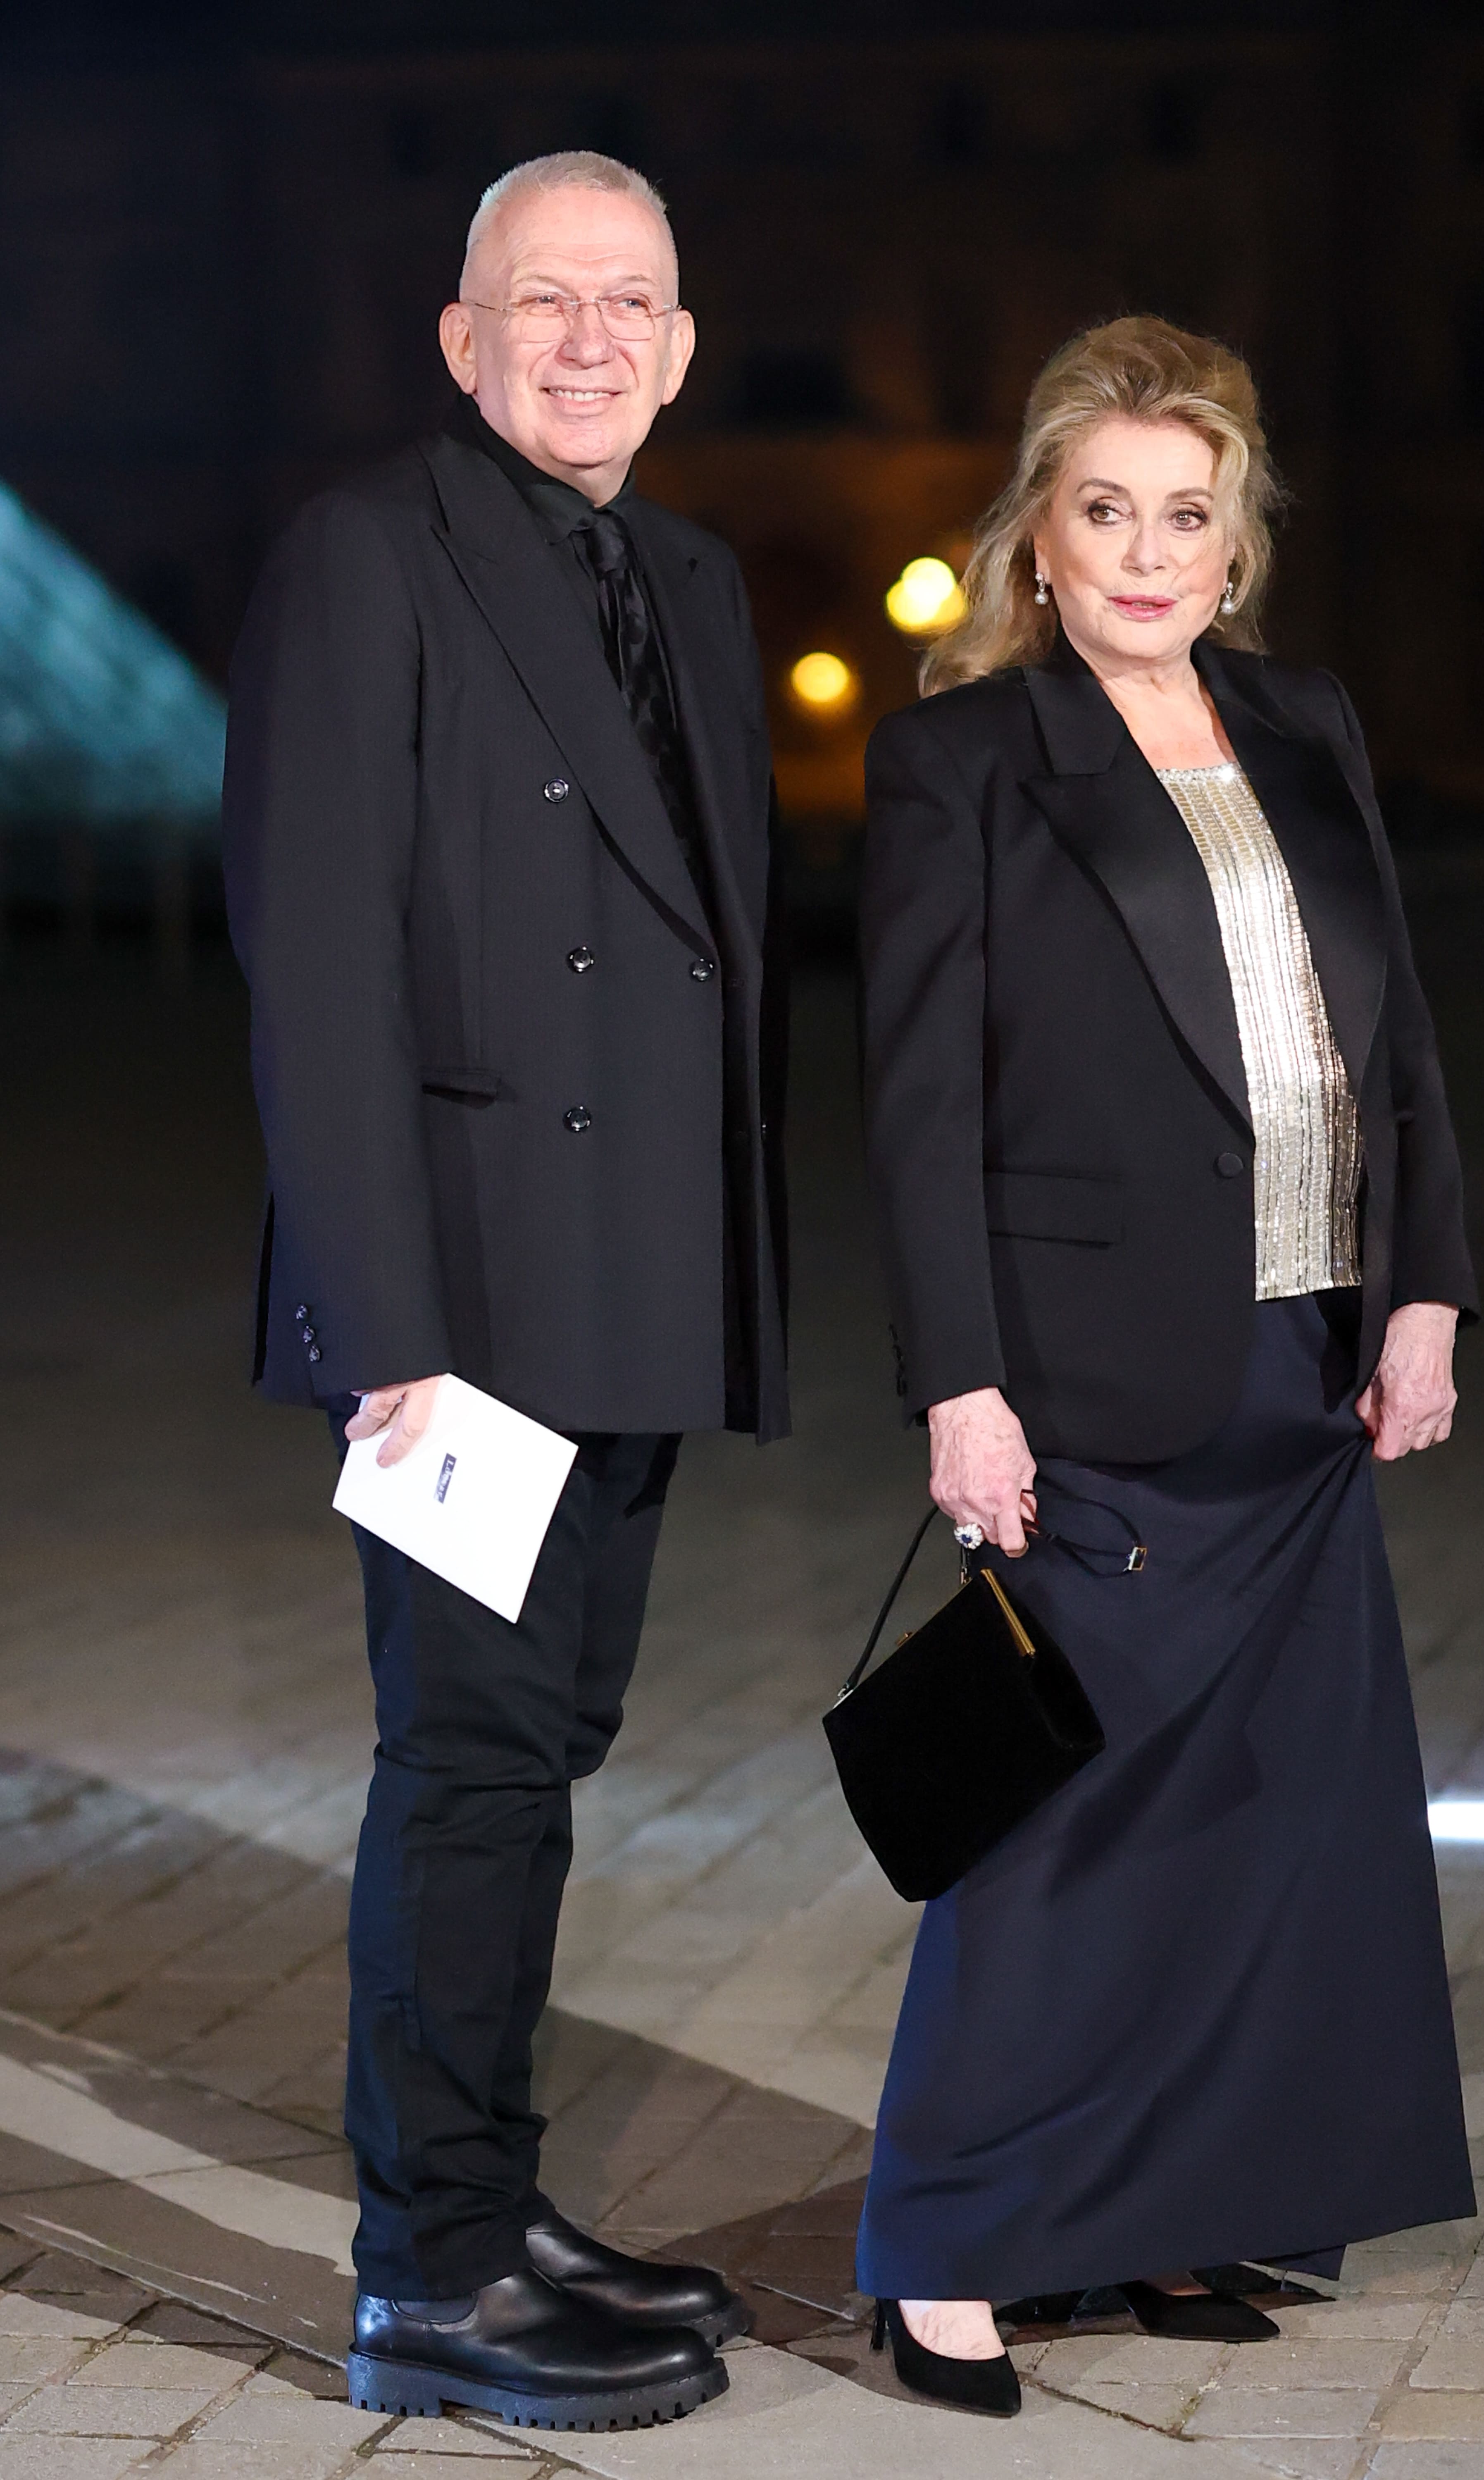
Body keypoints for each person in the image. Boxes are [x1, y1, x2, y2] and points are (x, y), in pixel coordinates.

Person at [855, 315, 1476, 2418]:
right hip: (1086, 1377)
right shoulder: (963, 758)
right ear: (1039, 536)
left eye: (1183, 516)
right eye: (1103, 511)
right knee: (1057, 1826)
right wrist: (959, 1384)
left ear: (1236, 540)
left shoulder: (1305, 722)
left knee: (1262, 1817)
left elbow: (1393, 1036)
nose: (1144, 553)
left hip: (1304, 1360)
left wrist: (1424, 1291)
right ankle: (945, 2248)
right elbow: (919, 1104)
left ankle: (1167, 2209)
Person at [221, 152, 788, 2432]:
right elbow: (314, 957)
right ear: (462, 342)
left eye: (627, 302)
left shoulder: (695, 577)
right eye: (540, 301)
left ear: (681, 345)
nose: (586, 339)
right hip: (459, 1305)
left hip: (631, 1281)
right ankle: (429, 2275)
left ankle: (495, 2199)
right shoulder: (371, 554)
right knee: (465, 1769)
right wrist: (387, 1333)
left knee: (546, 1759)